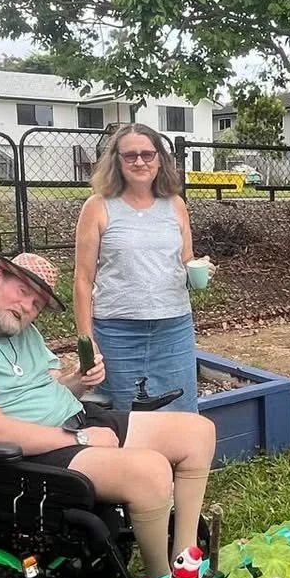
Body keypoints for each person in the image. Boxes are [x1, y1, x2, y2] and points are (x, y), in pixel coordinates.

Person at [0, 252, 215, 578]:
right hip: (23, 455)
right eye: (23, 292)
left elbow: (52, 382)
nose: (28, 307)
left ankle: (185, 561)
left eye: (37, 304)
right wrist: (81, 439)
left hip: (74, 420)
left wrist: (79, 380)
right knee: (151, 471)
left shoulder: (21, 329)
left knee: (198, 432)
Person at [74, 122, 207, 412]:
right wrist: (87, 342)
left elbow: (186, 259)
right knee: (123, 414)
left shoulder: (175, 204)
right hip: (117, 331)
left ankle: (177, 458)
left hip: (173, 327)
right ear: (116, 161)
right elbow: (83, 280)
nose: (139, 161)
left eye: (147, 154)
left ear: (160, 158)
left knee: (180, 411)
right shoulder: (97, 206)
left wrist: (198, 267)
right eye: (130, 155)